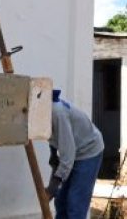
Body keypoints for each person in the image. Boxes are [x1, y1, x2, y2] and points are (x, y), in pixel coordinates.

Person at [46, 89, 104, 219]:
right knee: (61, 201)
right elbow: (54, 140)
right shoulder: (41, 113)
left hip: (89, 150)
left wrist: (52, 188)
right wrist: (53, 155)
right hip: (73, 151)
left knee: (75, 203)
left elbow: (67, 156)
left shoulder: (57, 113)